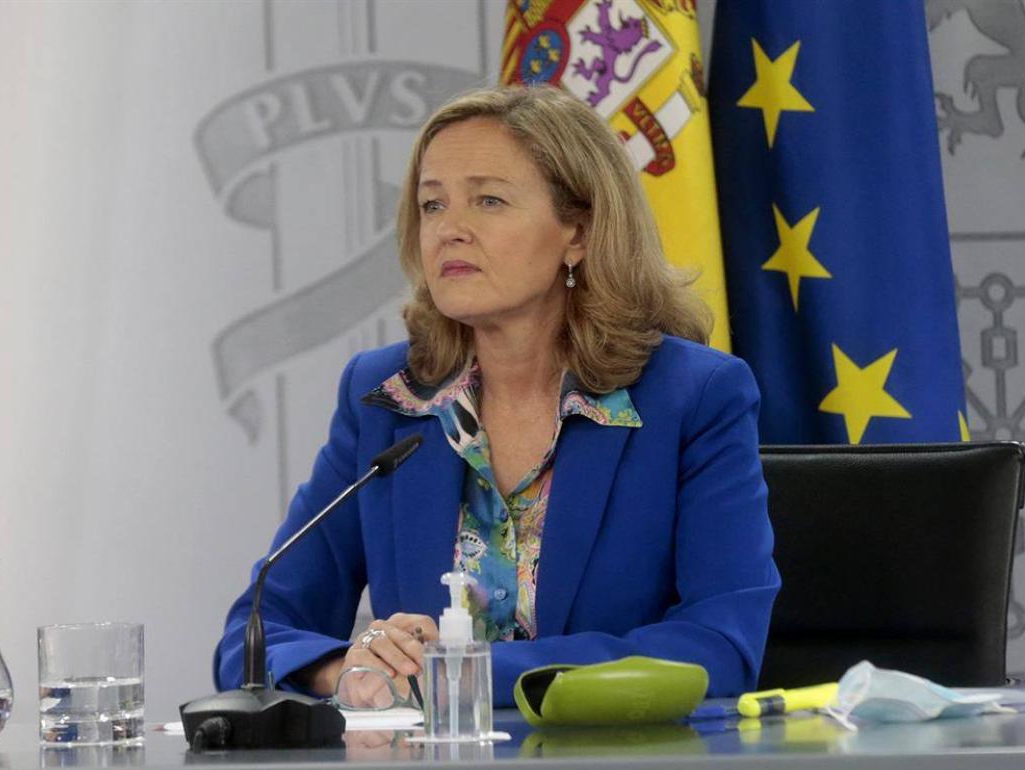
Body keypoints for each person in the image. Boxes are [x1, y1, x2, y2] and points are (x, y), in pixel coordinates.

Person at [214, 85, 780, 708]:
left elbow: (718, 646)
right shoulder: (387, 398)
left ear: (578, 232)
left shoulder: (693, 397)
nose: (449, 230)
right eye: (432, 205)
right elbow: (254, 636)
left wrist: (463, 672)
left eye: (488, 200)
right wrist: (351, 671)